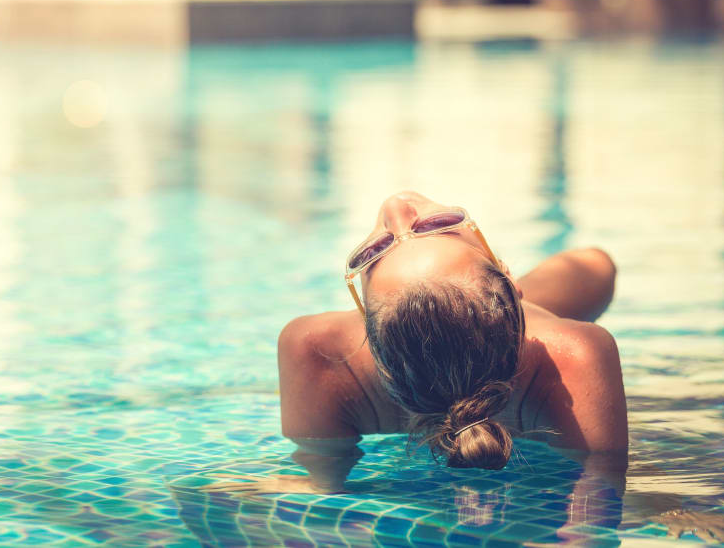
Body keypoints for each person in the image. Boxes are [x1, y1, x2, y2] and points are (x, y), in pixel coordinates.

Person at [208, 190, 628, 495]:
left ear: (368, 330)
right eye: (376, 249)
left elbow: (320, 478)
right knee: (596, 263)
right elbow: (599, 494)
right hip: (527, 331)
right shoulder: (574, 352)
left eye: (375, 251)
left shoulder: (316, 350)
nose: (394, 207)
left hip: (517, 328)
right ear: (509, 280)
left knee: (593, 265)